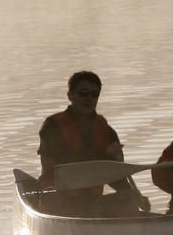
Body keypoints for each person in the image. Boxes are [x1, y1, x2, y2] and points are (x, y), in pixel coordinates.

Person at [38, 70, 151, 217]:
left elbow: (116, 173)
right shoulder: (52, 126)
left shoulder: (106, 129)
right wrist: (104, 155)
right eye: (83, 93)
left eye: (94, 95)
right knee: (49, 196)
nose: (89, 99)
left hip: (92, 201)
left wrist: (134, 194)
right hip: (60, 198)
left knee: (127, 198)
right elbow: (62, 164)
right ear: (70, 95)